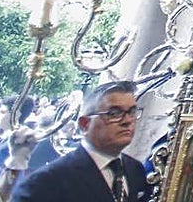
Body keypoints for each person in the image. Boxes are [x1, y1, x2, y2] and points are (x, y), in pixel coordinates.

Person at [11, 82, 148, 202]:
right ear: (85, 124)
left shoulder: (135, 170)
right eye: (114, 113)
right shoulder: (47, 182)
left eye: (132, 112)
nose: (127, 121)